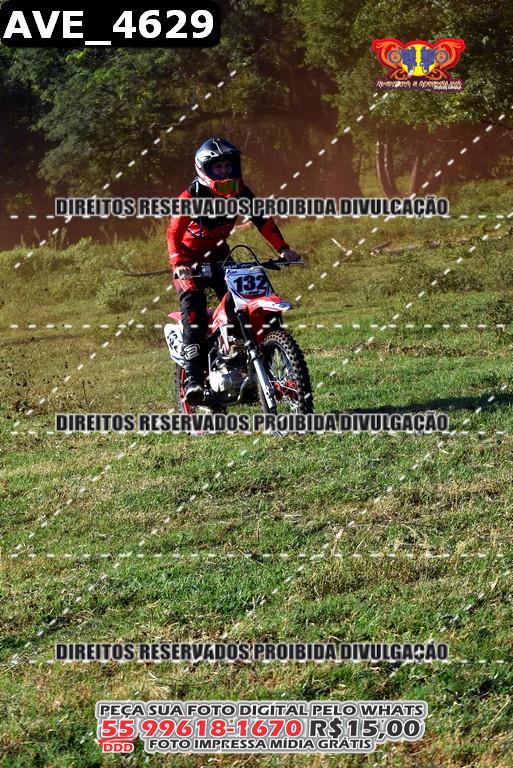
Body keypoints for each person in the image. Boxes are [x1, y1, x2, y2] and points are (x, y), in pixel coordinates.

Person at [167, 137, 301, 404]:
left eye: (228, 166)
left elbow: (262, 220)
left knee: (242, 302)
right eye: (218, 167)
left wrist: (283, 249)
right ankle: (193, 380)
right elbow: (173, 233)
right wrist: (179, 264)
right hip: (189, 262)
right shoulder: (190, 197)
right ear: (204, 169)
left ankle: (250, 361)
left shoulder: (241, 192)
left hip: (220, 255)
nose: (225, 172)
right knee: (193, 314)